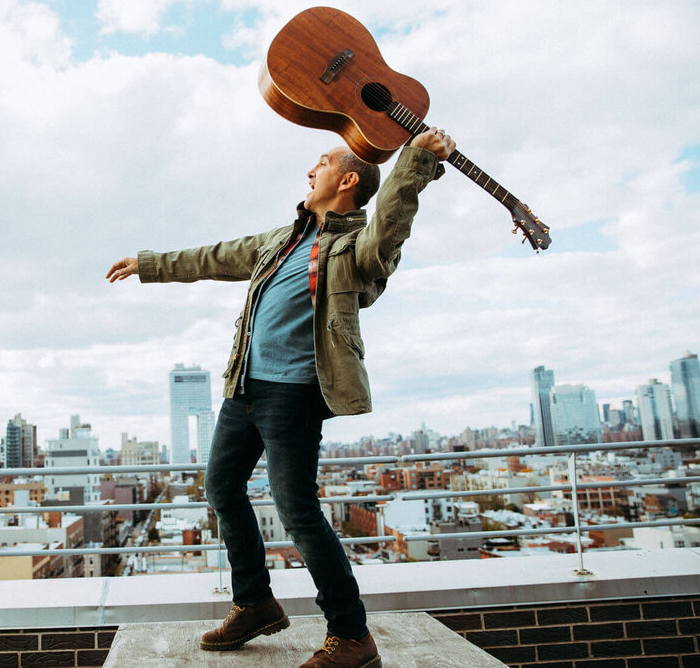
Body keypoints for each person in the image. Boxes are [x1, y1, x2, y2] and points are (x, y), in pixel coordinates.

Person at [106, 127, 455, 668]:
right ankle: (254, 603)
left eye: (319, 163)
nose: (308, 172)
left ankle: (352, 636)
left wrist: (413, 164)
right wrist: (148, 265)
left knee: (297, 511)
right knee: (220, 487)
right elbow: (213, 257)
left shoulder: (354, 249)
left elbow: (389, 223)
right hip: (243, 385)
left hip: (293, 395)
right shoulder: (283, 240)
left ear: (345, 180)